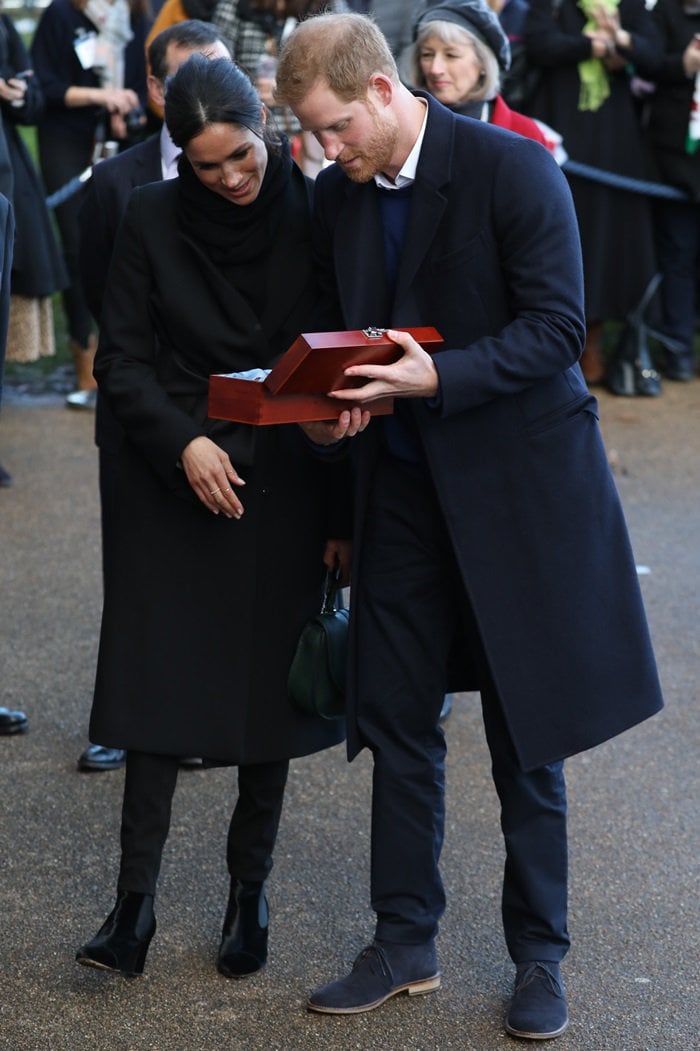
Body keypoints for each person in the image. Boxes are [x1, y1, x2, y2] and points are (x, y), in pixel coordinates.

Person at [275, 12, 664, 1039]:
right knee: (396, 726)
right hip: (396, 497)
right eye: (312, 138)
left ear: (378, 90)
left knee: (525, 740)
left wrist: (434, 375)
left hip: (517, 499)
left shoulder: (513, 169)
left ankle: (539, 956)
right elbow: (331, 338)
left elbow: (553, 330)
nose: (325, 151)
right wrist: (332, 412)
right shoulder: (333, 198)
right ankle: (404, 938)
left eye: (330, 129)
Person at [75, 54, 350, 979]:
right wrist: (182, 442)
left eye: (243, 157)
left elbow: (336, 349)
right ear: (179, 159)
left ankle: (249, 892)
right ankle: (132, 907)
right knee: (154, 693)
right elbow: (122, 362)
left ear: (268, 128)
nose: (232, 178)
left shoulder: (314, 207)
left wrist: (333, 484)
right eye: (208, 166)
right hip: (174, 473)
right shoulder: (149, 216)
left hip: (283, 478)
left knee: (265, 699)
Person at [75, 19, 233, 773]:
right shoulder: (116, 185)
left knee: (213, 573)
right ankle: (126, 720)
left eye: (220, 71)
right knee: (135, 576)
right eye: (192, 75)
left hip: (226, 412)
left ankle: (201, 715)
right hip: (139, 414)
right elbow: (100, 293)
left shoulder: (259, 168)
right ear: (156, 90)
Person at [522, 0, 662, 385]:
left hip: (614, 144)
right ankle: (554, 342)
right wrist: (595, 48)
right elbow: (539, 44)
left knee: (607, 241)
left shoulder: (628, 6)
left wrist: (621, 39)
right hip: (560, 134)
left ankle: (593, 345)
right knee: (559, 238)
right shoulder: (551, 4)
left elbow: (654, 55)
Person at [30, 0, 151, 410]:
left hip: (118, 140)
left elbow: (140, 79)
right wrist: (104, 96)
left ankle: (127, 359)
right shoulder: (60, 15)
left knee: (126, 245)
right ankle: (85, 367)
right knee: (78, 247)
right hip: (66, 139)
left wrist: (125, 108)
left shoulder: (137, 14)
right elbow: (44, 87)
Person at [635, 0, 700, 381]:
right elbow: (646, 61)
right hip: (676, 160)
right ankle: (677, 349)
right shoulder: (663, 13)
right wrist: (683, 65)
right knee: (678, 254)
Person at [410, 0, 560, 153]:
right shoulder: (405, 125)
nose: (435, 69)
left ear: (483, 63)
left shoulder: (523, 132)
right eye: (427, 55)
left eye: (451, 55)